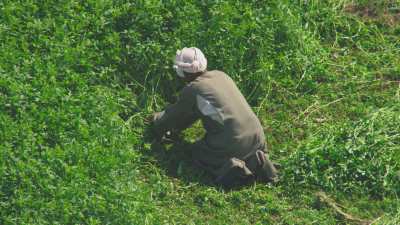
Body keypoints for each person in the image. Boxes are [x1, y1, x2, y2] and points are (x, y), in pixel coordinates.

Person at [151, 47, 278, 187]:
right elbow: (196, 112)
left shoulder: (192, 89)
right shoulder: (220, 75)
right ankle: (255, 159)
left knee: (195, 151)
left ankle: (235, 169)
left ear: (181, 72)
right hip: (257, 137)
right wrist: (177, 128)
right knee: (234, 144)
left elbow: (172, 117)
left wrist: (156, 121)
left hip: (232, 143)